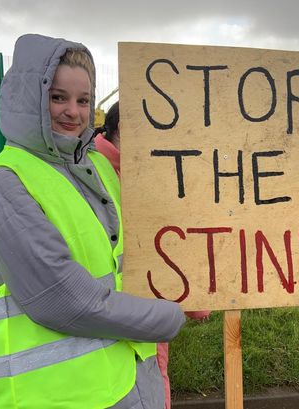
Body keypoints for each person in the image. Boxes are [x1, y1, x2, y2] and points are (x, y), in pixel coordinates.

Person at [0, 34, 185, 409]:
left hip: (130, 378)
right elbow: (62, 299)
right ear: (28, 99)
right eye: (57, 97)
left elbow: (132, 251)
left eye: (83, 100)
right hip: (60, 395)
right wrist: (166, 317)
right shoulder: (6, 181)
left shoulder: (96, 165)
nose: (73, 112)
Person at [94, 102, 210, 409]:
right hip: (123, 308)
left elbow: (169, 236)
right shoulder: (104, 174)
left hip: (128, 309)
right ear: (122, 130)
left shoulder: (131, 168)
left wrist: (195, 300)